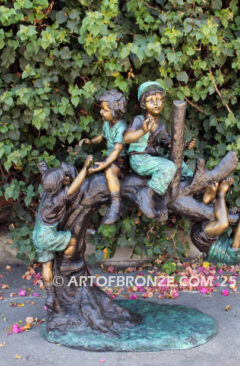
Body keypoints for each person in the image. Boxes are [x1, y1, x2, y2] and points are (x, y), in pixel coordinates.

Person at [123, 81, 194, 221]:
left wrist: (185, 146)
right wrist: (142, 131)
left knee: (180, 165)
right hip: (139, 159)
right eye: (150, 100)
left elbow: (170, 145)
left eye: (159, 100)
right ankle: (147, 194)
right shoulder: (139, 120)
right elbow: (126, 138)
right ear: (143, 104)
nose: (156, 104)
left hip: (152, 160)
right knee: (169, 167)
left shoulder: (161, 126)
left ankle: (193, 184)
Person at [32, 155, 93, 312]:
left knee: (47, 265)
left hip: (38, 235)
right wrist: (85, 167)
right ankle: (67, 264)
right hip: (48, 236)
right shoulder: (58, 198)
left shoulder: (47, 194)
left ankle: (51, 296)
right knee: (72, 240)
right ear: (59, 185)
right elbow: (76, 186)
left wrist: (43, 167)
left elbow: (47, 177)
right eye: (63, 178)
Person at [191, 178, 240, 275]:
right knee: (216, 213)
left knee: (223, 224)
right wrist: (234, 213)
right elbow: (235, 232)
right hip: (207, 235)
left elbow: (238, 236)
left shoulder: (237, 257)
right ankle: (209, 197)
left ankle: (221, 193)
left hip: (203, 240)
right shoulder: (238, 250)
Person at [79, 89, 128, 224]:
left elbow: (117, 151)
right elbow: (101, 137)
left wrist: (105, 165)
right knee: (91, 170)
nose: (101, 112)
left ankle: (116, 204)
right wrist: (91, 141)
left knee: (109, 171)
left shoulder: (121, 126)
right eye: (102, 109)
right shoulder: (107, 123)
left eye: (105, 110)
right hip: (108, 158)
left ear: (115, 111)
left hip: (120, 160)